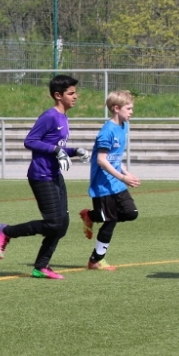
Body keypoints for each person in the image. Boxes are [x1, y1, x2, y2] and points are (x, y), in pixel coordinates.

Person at [0, 74, 90, 279]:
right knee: (54, 223)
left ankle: (41, 266)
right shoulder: (50, 116)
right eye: (71, 93)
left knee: (61, 225)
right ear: (58, 95)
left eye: (75, 92)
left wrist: (74, 151)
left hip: (55, 175)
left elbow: (56, 146)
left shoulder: (63, 117)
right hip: (41, 176)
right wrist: (57, 150)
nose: (75, 96)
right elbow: (30, 141)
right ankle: (6, 231)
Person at [77, 90, 140, 271]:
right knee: (110, 220)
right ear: (116, 108)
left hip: (116, 183)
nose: (131, 112)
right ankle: (95, 260)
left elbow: (116, 158)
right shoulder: (107, 132)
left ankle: (90, 215)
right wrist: (123, 177)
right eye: (129, 108)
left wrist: (126, 172)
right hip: (102, 185)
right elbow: (102, 160)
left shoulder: (124, 126)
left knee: (130, 213)